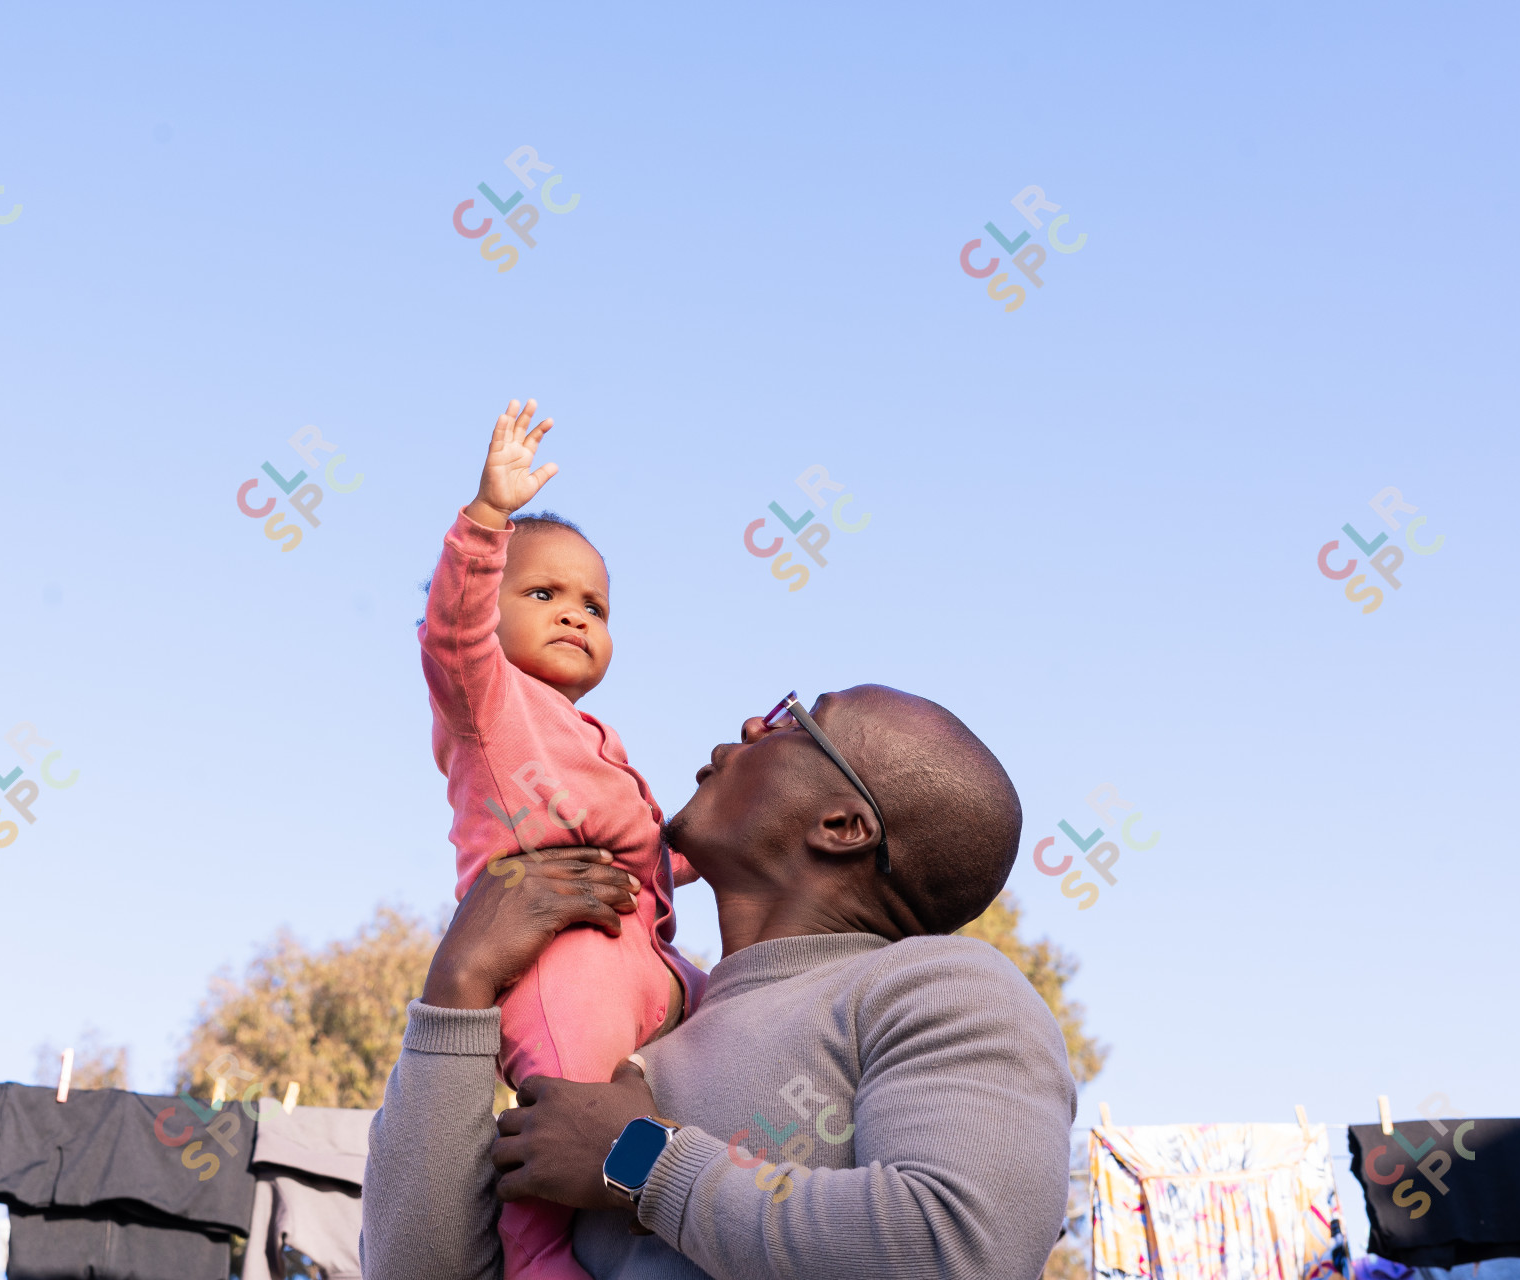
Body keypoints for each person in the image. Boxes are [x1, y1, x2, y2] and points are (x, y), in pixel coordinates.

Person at [363, 686, 1078, 1280]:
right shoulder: (648, 1027)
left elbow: (957, 1251)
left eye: (795, 723)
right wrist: (459, 988)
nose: (751, 726)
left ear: (841, 825)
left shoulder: (945, 987)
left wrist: (639, 1159)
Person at [417, 399, 708, 1280]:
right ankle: (538, 1261)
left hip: (649, 959)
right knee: (564, 1123)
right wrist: (488, 518)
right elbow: (452, 632)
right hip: (564, 962)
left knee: (732, 1030)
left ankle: (694, 1212)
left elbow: (649, 851)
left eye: (595, 605)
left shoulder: (593, 735)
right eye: (542, 594)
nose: (575, 615)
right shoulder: (487, 701)